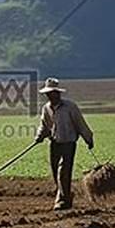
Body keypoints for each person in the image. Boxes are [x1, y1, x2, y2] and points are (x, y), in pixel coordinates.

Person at [34, 77, 94, 210]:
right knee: (55, 171)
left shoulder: (70, 107)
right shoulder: (46, 108)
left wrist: (88, 138)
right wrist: (39, 137)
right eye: (48, 94)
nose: (50, 96)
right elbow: (44, 125)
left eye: (53, 93)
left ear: (58, 93)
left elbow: (80, 124)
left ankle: (61, 200)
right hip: (54, 143)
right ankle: (66, 195)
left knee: (64, 171)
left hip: (69, 143)